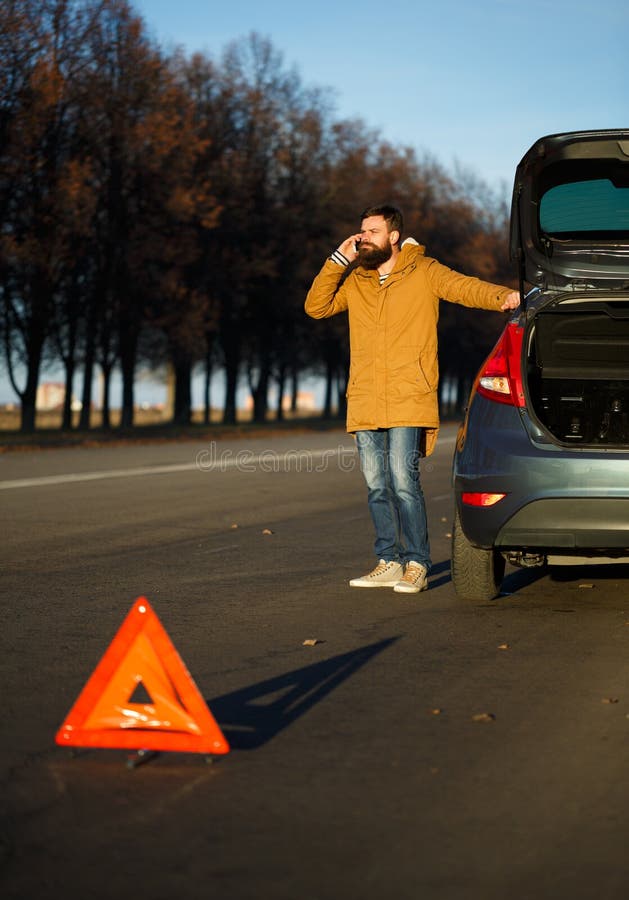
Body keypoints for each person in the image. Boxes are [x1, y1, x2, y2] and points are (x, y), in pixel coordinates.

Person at [305, 204, 520, 594]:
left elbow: (465, 287)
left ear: (393, 237)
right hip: (366, 398)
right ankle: (388, 559)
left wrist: (504, 296)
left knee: (404, 481)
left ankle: (417, 563)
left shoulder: (425, 272)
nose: (362, 238)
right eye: (360, 232)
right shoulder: (357, 282)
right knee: (376, 485)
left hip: (409, 395)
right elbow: (316, 306)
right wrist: (339, 258)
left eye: (370, 231)